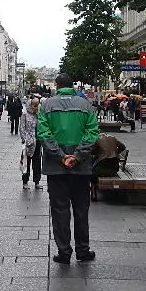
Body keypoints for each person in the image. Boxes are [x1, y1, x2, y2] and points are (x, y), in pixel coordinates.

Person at [37, 74, 99, 264]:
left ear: (56, 86)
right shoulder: (86, 105)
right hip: (81, 168)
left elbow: (43, 134)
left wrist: (61, 156)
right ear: (72, 86)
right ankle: (83, 250)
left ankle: (64, 252)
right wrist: (77, 156)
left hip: (56, 167)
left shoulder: (46, 106)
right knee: (81, 210)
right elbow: (92, 133)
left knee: (60, 210)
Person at [90, 133, 126, 201]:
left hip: (102, 166)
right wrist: (116, 152)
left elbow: (92, 152)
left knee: (92, 174)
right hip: (114, 167)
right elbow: (123, 146)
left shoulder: (97, 139)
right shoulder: (113, 137)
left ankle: (93, 195)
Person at [20, 97, 43, 191]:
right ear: (30, 105)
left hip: (37, 142)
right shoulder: (25, 114)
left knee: (37, 163)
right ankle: (25, 182)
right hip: (28, 143)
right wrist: (25, 140)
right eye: (34, 105)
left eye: (37, 105)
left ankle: (37, 182)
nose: (36, 107)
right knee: (25, 163)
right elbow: (22, 128)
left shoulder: (39, 114)